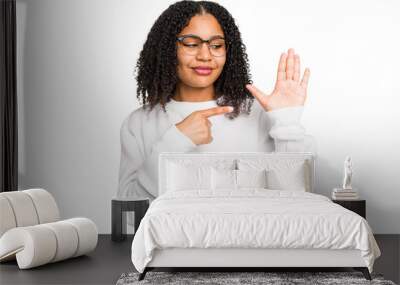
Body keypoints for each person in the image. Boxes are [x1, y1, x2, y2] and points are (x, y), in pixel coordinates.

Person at [117, 0, 316, 229]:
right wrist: (177, 139)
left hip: (252, 245)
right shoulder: (139, 123)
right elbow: (127, 219)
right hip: (175, 253)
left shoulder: (257, 115)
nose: (205, 55)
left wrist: (287, 122)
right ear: (166, 49)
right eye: (191, 44)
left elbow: (295, 198)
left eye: (216, 45)